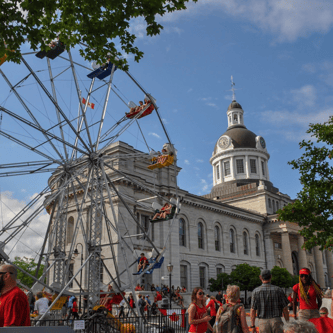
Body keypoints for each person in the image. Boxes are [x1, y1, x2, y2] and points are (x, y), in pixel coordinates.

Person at [250, 269, 289, 333]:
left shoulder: (256, 291)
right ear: (271, 276)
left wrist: (253, 325)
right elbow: (285, 308)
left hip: (263, 322)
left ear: (260, 277)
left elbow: (253, 310)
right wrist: (287, 323)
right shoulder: (278, 290)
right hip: (276, 321)